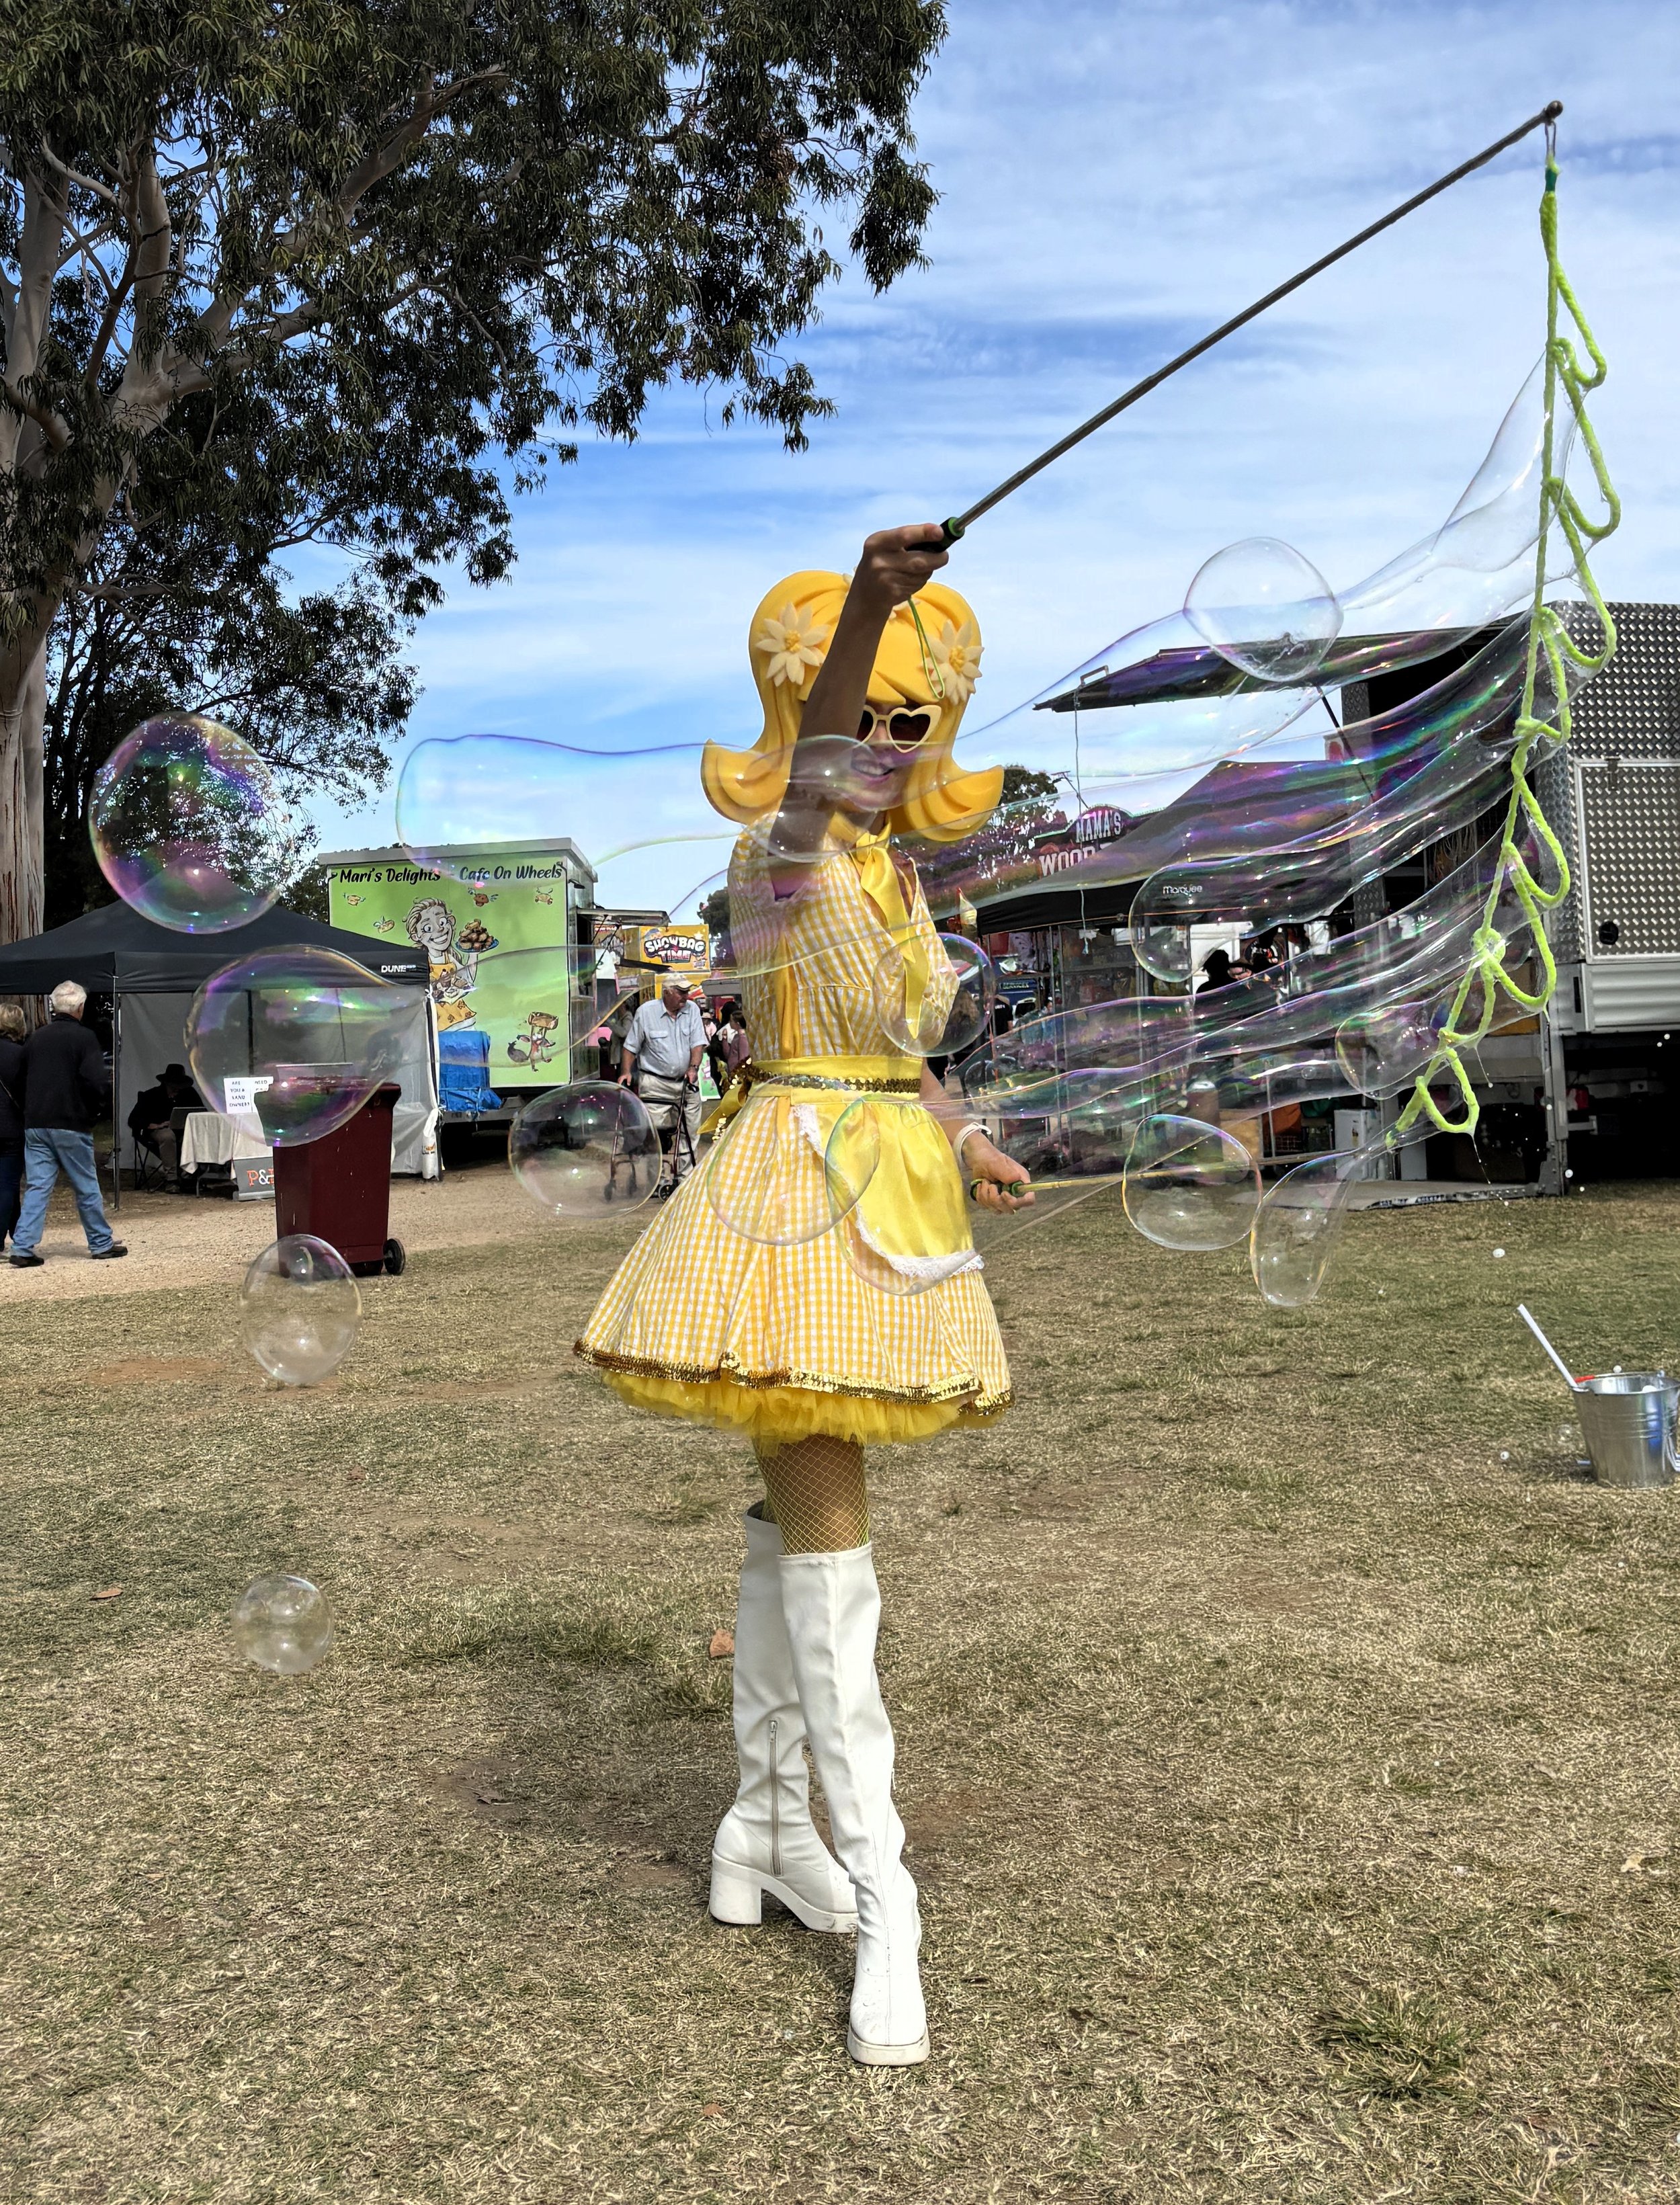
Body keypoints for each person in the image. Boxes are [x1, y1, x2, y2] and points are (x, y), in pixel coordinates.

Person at [578, 525, 1031, 2068]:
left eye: (917, 718)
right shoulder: (775, 855)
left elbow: (904, 1048)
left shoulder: (894, 875)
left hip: (888, 1190)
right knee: (832, 1530)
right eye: (864, 713)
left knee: (790, 1522)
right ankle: (884, 1894)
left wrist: (962, 1133)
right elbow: (817, 767)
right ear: (804, 708)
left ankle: (765, 1831)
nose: (886, 744)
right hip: (791, 1197)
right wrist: (867, 611)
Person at [9, 981, 126, 1267]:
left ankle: (22, 1246)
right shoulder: (84, 1038)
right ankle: (100, 1242)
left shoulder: (36, 1038)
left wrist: (29, 1109)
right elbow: (96, 1082)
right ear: (80, 1008)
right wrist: (93, 1113)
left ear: (53, 1006)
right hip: (71, 1121)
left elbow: (19, 1079)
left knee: (38, 1186)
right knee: (86, 1184)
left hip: (37, 1122)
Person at [619, 976, 706, 1190]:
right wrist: (626, 1072)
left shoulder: (692, 1010)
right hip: (655, 1083)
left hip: (686, 1082)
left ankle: (685, 1179)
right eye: (681, 992)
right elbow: (631, 1047)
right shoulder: (646, 1012)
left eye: (687, 992)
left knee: (690, 1131)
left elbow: (698, 1044)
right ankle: (657, 1181)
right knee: (654, 1135)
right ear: (667, 992)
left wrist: (694, 1068)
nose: (686, 996)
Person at [126, 1061, 202, 1189]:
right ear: (166, 1083)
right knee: (167, 1136)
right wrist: (152, 1125)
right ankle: (172, 1179)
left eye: (180, 1086)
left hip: (184, 1131)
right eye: (174, 1086)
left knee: (195, 1137)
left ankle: (189, 1175)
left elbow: (200, 1112)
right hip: (160, 1131)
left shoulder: (189, 1094)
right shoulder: (151, 1096)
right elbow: (133, 1119)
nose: (177, 1089)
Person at [0, 1000, 26, 1249]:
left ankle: (17, 1229)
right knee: (9, 1183)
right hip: (11, 1126)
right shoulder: (21, 1055)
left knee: (7, 1184)